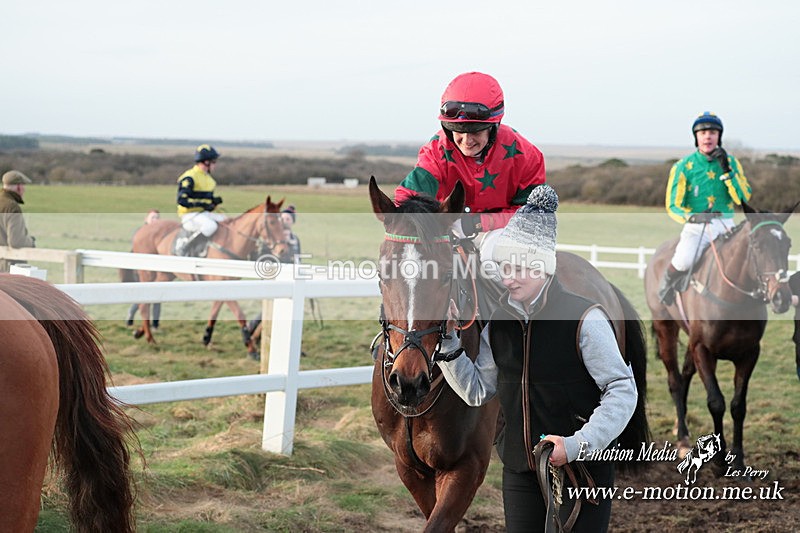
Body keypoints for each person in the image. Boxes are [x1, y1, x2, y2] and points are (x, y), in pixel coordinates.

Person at [439, 184, 637, 532]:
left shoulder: (585, 319)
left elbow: (622, 389)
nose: (507, 278)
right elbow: (477, 391)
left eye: (518, 268)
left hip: (583, 469)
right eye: (503, 267)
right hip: (520, 468)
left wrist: (577, 445)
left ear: (543, 267)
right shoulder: (498, 323)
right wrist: (448, 343)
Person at [394, 71, 546, 261]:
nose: (466, 141)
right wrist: (439, 221)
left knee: (492, 256)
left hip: (504, 233)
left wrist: (477, 223)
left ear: (494, 125)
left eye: (475, 131)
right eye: (457, 130)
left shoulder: (527, 155)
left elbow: (534, 214)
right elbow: (406, 200)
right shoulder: (436, 152)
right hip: (448, 231)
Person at [658, 112, 752, 305]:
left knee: (751, 258)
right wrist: (691, 217)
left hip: (726, 224)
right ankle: (666, 285)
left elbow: (743, 198)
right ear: (696, 137)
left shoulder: (732, 163)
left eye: (712, 132)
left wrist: (727, 171)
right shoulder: (683, 166)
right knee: (684, 260)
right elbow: (673, 205)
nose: (707, 136)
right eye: (702, 133)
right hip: (696, 226)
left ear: (719, 137)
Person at [176, 144, 225, 253]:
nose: (215, 165)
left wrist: (213, 202)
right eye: (214, 162)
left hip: (203, 214)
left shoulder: (210, 180)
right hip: (189, 214)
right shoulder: (189, 177)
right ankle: (186, 247)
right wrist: (203, 205)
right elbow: (182, 200)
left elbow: (206, 200)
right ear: (206, 162)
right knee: (210, 226)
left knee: (226, 222)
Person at [126, 209, 161, 328]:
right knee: (143, 296)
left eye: (157, 218)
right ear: (146, 219)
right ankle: (131, 314)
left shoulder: (160, 235)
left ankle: (155, 324)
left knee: (158, 296)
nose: (155, 220)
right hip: (142, 270)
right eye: (153, 217)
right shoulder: (141, 233)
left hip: (156, 270)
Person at [0, 170, 36, 272]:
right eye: (23, 186)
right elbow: (16, 242)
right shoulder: (12, 207)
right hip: (7, 266)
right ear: (19, 187)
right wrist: (31, 241)